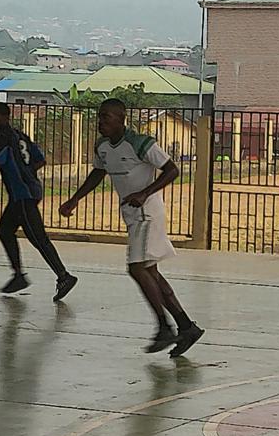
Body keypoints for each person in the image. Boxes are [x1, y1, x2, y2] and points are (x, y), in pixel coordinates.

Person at [59, 98, 203, 356]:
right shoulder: (102, 146)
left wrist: (145, 193)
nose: (101, 122)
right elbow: (98, 173)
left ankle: (163, 327)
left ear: (121, 119)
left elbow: (172, 170)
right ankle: (186, 326)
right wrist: (75, 198)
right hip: (131, 214)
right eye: (99, 117)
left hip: (147, 212)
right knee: (151, 273)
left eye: (106, 117)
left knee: (137, 268)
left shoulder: (141, 143)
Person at [0, 102, 77, 300]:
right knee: (5, 230)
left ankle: (63, 275)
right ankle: (18, 275)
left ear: (5, 117)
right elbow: (41, 160)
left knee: (37, 237)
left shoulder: (2, 138)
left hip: (22, 195)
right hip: (28, 192)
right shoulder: (21, 136)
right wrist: (28, 172)